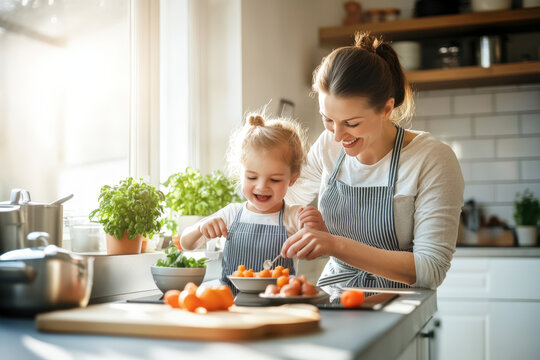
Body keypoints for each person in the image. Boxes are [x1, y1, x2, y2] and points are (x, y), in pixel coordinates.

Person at [281, 32, 464, 297]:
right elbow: (284, 203)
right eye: (327, 119)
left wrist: (333, 244)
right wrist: (303, 222)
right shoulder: (328, 145)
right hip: (335, 298)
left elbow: (430, 269)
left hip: (397, 306)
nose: (337, 136)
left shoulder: (431, 158)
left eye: (352, 123)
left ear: (387, 109)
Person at [180, 113, 308, 292]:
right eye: (252, 177)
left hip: (279, 308)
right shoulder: (231, 214)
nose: (262, 186)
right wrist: (201, 228)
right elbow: (186, 243)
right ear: (240, 174)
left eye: (275, 180)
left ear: (292, 178)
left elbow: (321, 249)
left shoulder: (294, 216)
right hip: (231, 306)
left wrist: (313, 229)